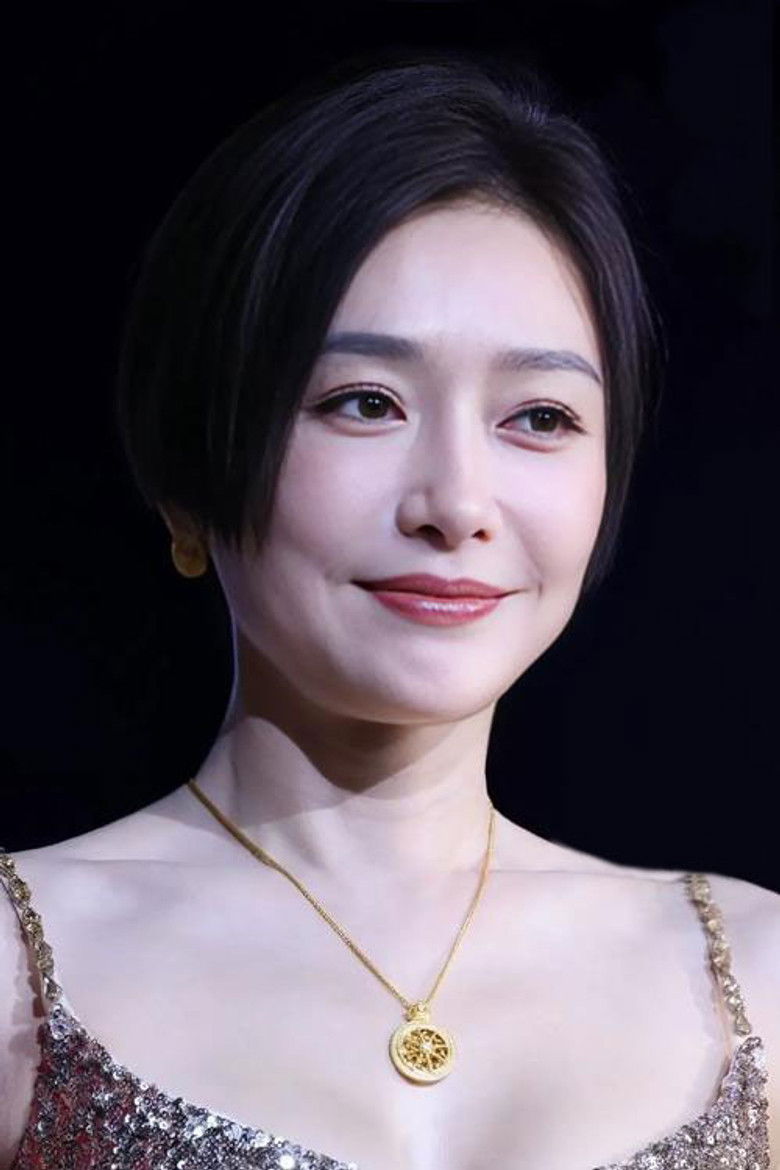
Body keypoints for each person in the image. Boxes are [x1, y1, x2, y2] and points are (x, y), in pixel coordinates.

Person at [1, 45, 777, 1170]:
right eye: (365, 403)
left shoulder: (750, 975)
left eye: (541, 417)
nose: (456, 504)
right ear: (189, 477)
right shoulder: (21, 970)